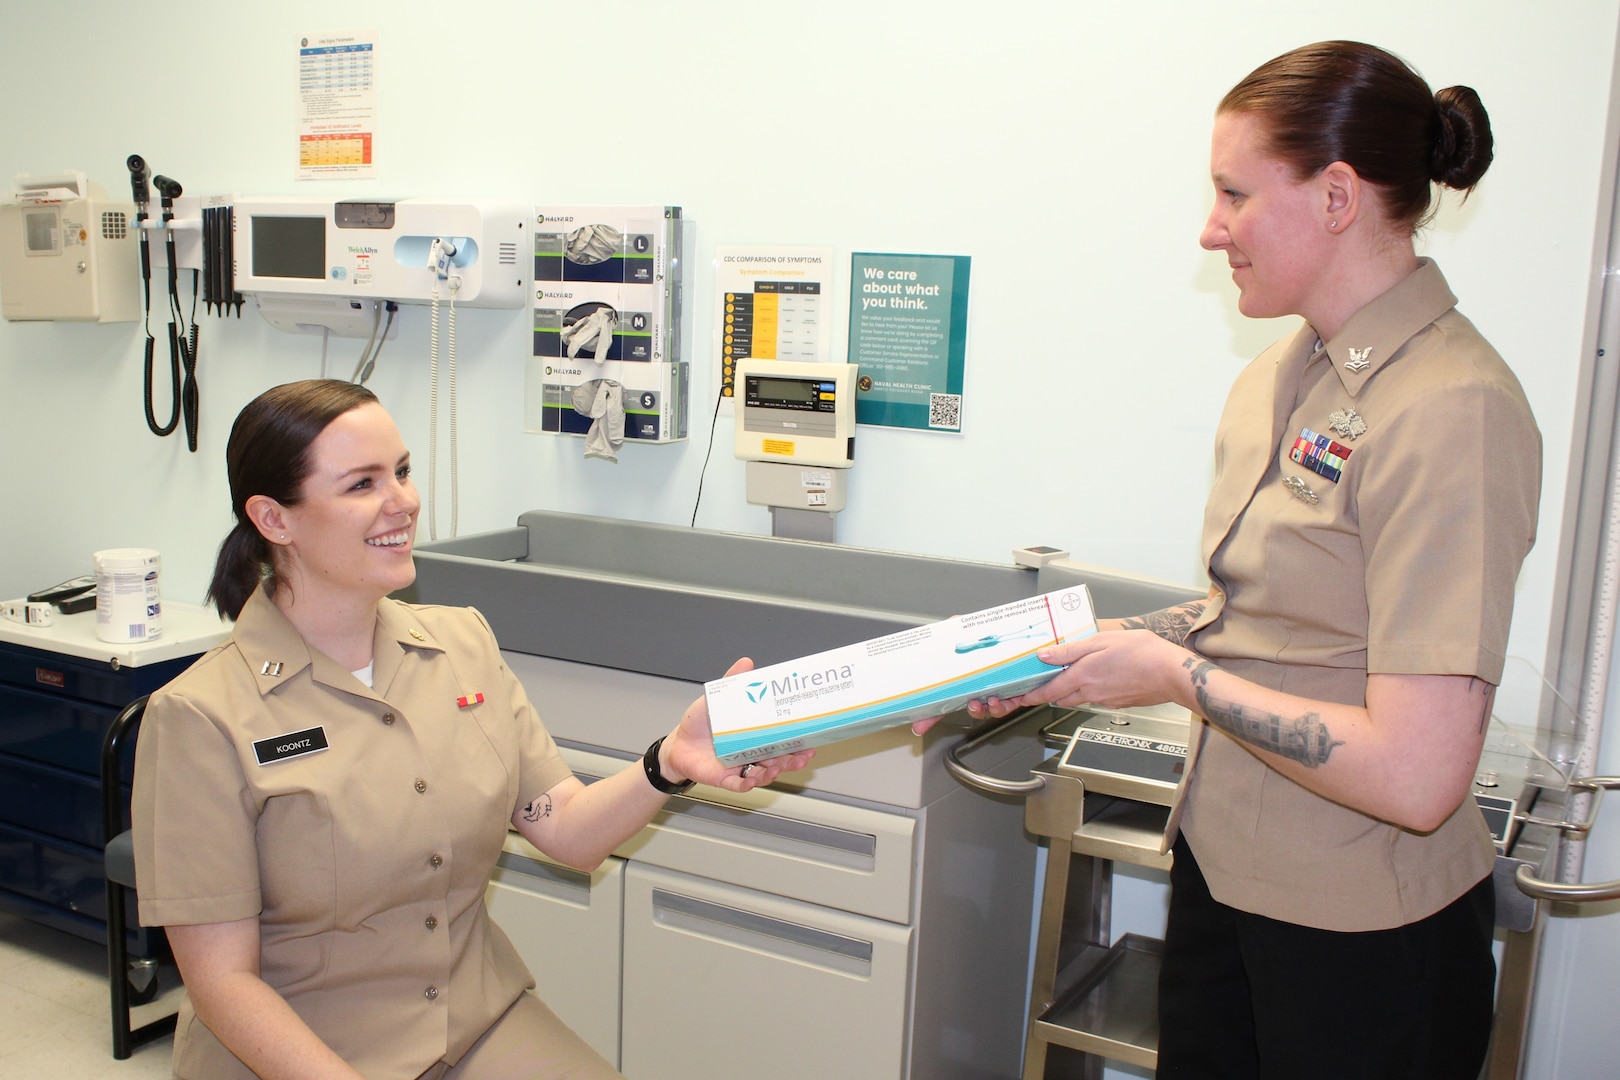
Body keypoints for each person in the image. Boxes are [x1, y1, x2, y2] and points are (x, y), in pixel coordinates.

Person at [962, 41, 1540, 1078]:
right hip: (1230, 880)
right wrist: (1037, 657)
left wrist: (1175, 677)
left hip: (1366, 939)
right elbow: (1258, 617)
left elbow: (1417, 776)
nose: (1210, 228)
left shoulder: (1453, 409)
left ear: (1334, 196)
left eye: (1233, 193)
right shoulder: (1288, 374)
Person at [132, 379, 814, 1080]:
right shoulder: (200, 716)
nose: (402, 501)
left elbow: (567, 830)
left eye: (400, 471)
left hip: (475, 1024)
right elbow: (223, 985)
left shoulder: (461, 645)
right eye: (362, 484)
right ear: (275, 520)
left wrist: (669, 762)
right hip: (301, 1052)